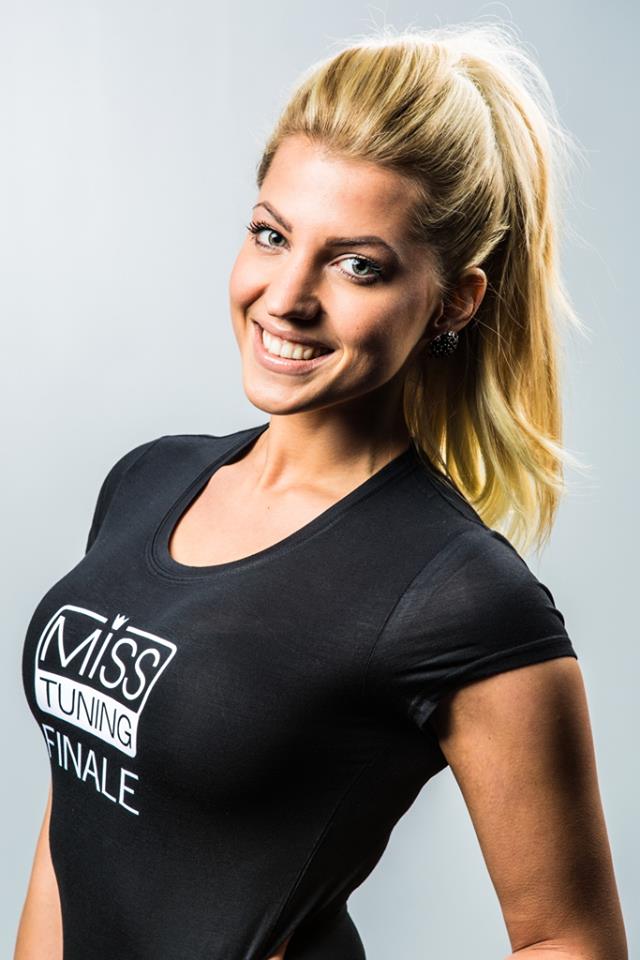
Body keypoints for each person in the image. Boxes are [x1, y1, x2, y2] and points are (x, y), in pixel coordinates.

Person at [15, 20, 627, 960]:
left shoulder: (458, 595)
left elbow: (570, 940)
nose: (286, 296)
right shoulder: (147, 480)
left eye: (356, 265)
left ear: (455, 300)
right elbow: (78, 825)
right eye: (271, 235)